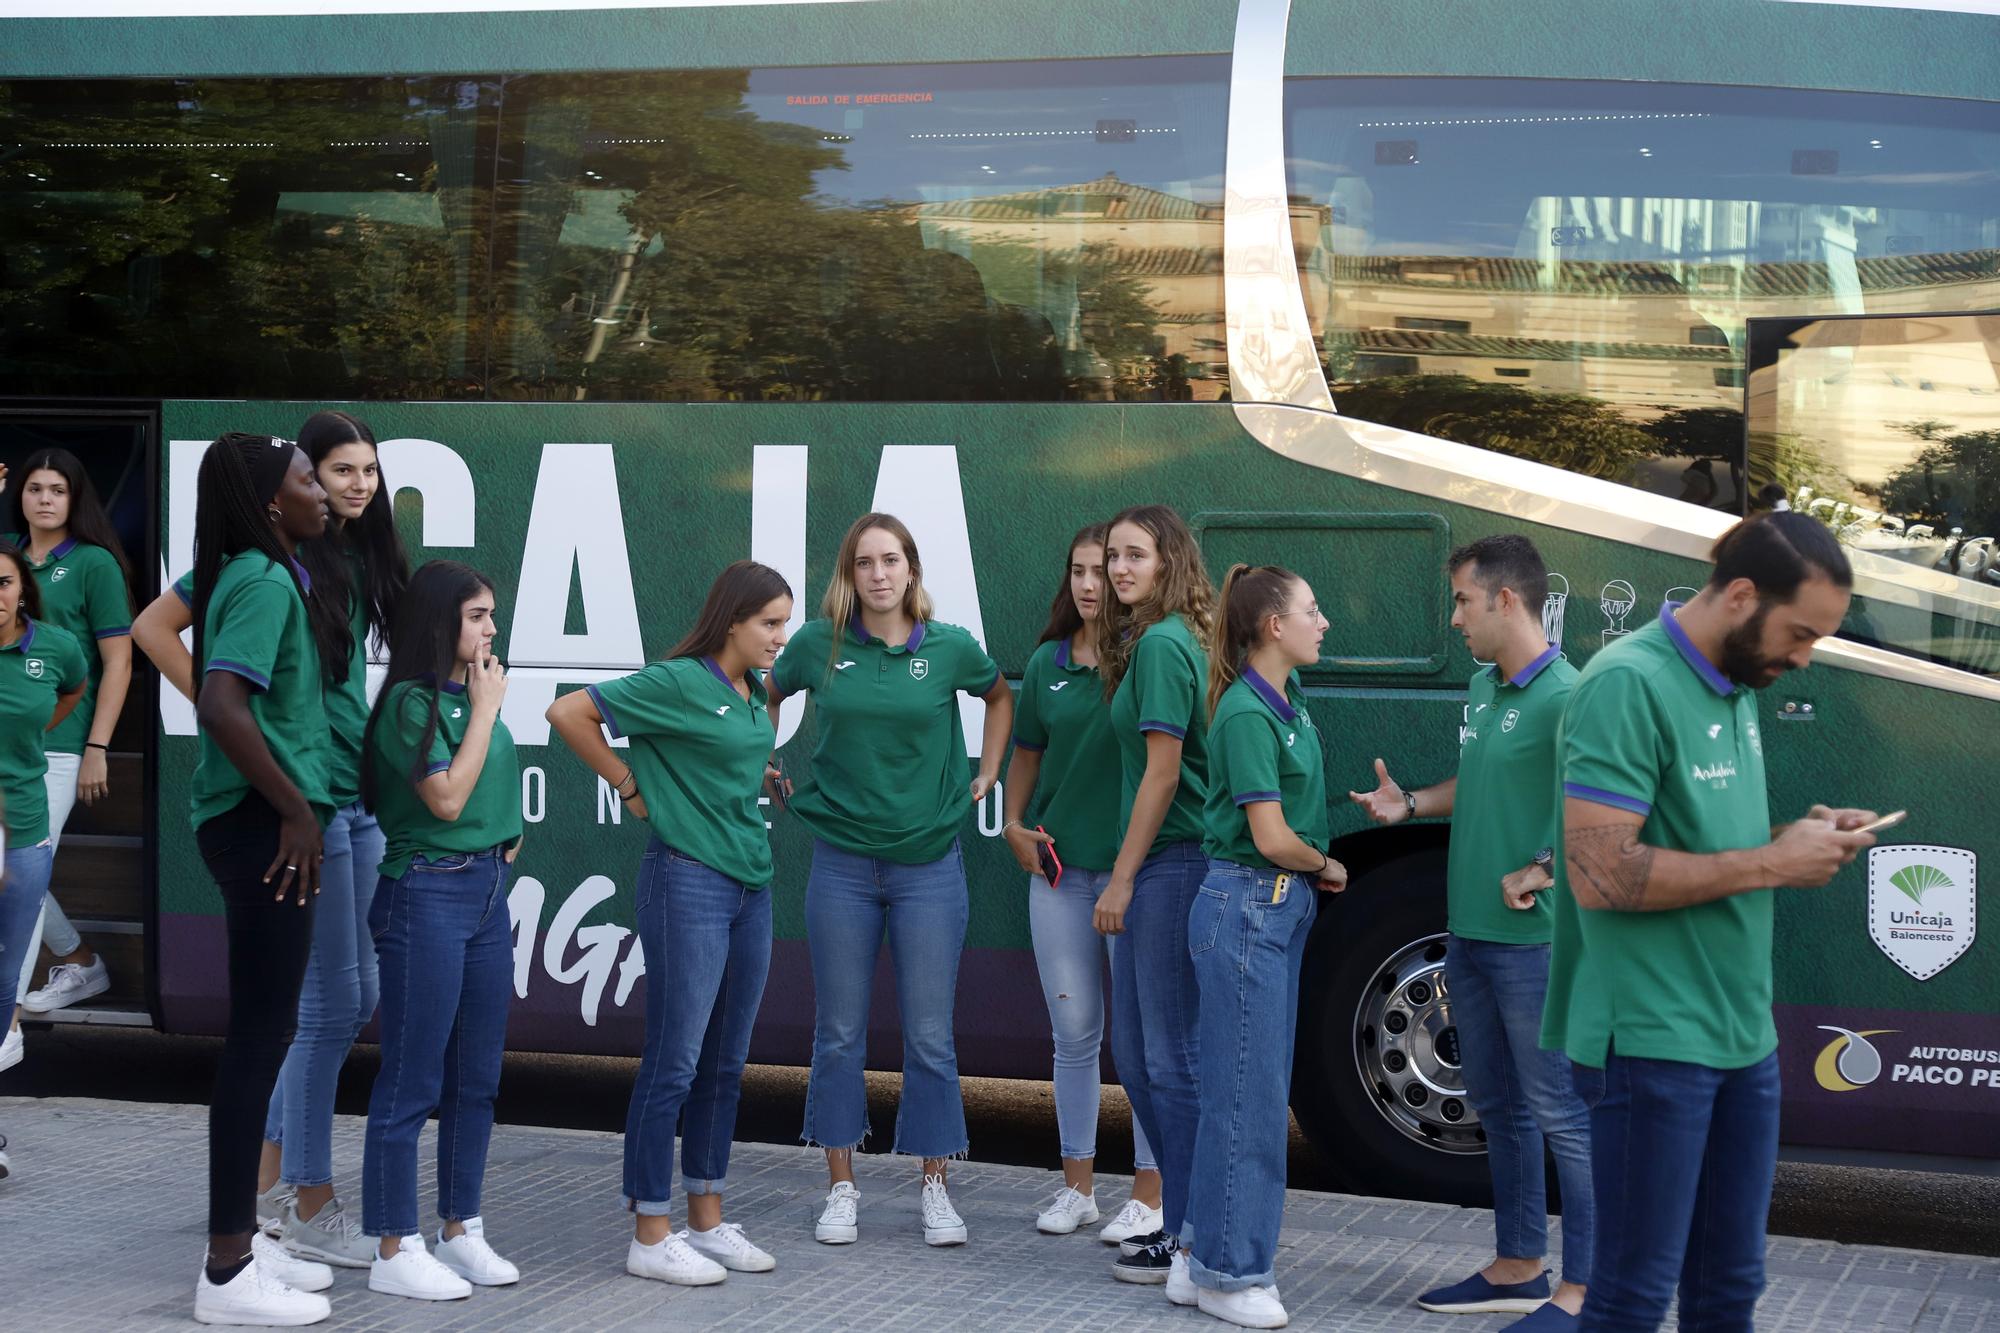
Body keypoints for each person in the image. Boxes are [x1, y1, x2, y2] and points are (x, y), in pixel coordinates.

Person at [1546, 512, 1877, 1332]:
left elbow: (1695, 845)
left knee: (1731, 1289)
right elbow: (1598, 873)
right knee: (1630, 1297)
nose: (1803, 657)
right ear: (1739, 594)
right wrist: (1772, 863)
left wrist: (1795, 840)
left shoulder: (1734, 681)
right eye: (1799, 633)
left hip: (1740, 1036)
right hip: (1651, 1042)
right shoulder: (1626, 683)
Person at [134, 412, 408, 1264]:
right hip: (298, 802)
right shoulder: (263, 567)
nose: (353, 485)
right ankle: (294, 1199)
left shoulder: (343, 553)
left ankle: (270, 1190)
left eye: (368, 470)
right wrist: (239, 722)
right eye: (334, 471)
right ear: (293, 484)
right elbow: (156, 634)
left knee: (346, 1000)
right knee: (311, 1011)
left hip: (343, 797)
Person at [1351, 535, 1593, 1329]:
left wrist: (1544, 866)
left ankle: (1586, 1290)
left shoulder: (1570, 695)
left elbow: (1612, 803)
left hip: (1538, 943)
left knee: (1560, 1110)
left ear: (1507, 601)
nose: (1453, 617)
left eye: (1462, 600)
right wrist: (1411, 804)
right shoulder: (1484, 687)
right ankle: (1521, 1265)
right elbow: (1485, 780)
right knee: (1499, 1105)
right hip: (1471, 938)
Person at [765, 512, 1013, 1248]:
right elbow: (762, 691)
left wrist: (988, 772)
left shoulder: (948, 648)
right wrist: (759, 757)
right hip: (840, 861)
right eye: (865, 562)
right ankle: (841, 1186)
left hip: (928, 866)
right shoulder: (818, 643)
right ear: (849, 573)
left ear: (912, 570)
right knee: (838, 1033)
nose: (879, 574)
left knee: (930, 1035)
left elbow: (1001, 696)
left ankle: (935, 1186)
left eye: (892, 560)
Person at [546, 560, 794, 1287]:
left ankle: (706, 1221)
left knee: (724, 1062)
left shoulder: (748, 691)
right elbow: (568, 712)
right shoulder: (679, 679)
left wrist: (758, 778)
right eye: (770, 623)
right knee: (675, 1061)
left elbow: (715, 759)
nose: (782, 636)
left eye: (785, 622)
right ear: (733, 623)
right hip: (686, 880)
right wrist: (628, 785)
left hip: (751, 886)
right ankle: (650, 1233)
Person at [178, 433, 342, 1326]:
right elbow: (220, 702)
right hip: (262, 828)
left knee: (264, 1038)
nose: (324, 490)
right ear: (273, 503)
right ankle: (228, 1271)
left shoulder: (264, 570)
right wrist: (296, 810)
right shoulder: (265, 578)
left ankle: (241, 1246)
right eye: (309, 479)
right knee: (258, 1042)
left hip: (260, 822)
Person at [1180, 564, 1345, 1328]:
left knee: (1237, 1094)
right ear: (1273, 626)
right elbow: (1272, 837)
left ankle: (1196, 1254)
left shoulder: (1285, 699)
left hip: (1266, 910)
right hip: (1249, 907)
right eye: (1313, 610)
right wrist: (1327, 863)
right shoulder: (1248, 711)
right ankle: (1231, 1273)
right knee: (1245, 1100)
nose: (1325, 622)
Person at [359, 561, 522, 1302]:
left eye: (492, 615)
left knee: (476, 1079)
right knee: (412, 1079)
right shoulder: (408, 704)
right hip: (425, 891)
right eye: (478, 615)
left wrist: (505, 839)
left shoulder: (472, 693)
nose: (491, 628)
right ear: (439, 621)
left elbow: (485, 797)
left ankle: (460, 1228)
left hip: (486, 891)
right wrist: (486, 709)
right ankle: (394, 1244)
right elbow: (447, 799)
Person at [999, 523, 1163, 1242]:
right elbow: (1027, 752)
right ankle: (1078, 1189)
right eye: (1079, 570)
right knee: (1073, 1034)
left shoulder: (1150, 658)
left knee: (1143, 1041)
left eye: (1103, 568)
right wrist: (1012, 820)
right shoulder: (1047, 664)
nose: (1091, 583)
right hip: (1062, 876)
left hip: (1135, 878)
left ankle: (1150, 1197)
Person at [1094, 503, 1215, 1286]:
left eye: (1137, 555)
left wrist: (1124, 875)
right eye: (1113, 556)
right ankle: (1183, 1222)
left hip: (1171, 866)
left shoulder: (1167, 644)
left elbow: (1165, 775)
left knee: (1168, 1060)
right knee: (1140, 1057)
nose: (1119, 569)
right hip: (1158, 865)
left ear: (1169, 561)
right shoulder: (1153, 641)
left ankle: (1198, 1230)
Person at [1, 451, 134, 1018]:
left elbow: (118, 661)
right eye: (35, 488)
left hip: (58, 745)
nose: (46, 499)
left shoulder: (94, 563)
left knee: (23, 865)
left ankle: (6, 1029)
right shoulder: (8, 553)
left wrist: (97, 748)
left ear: (75, 499)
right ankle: (79, 960)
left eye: (58, 489)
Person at [0, 545, 87, 1080]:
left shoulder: (54, 647)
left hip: (25, 831)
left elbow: (73, 690)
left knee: (6, 979)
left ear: (22, 590)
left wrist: (28, 736)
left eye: (3, 581)